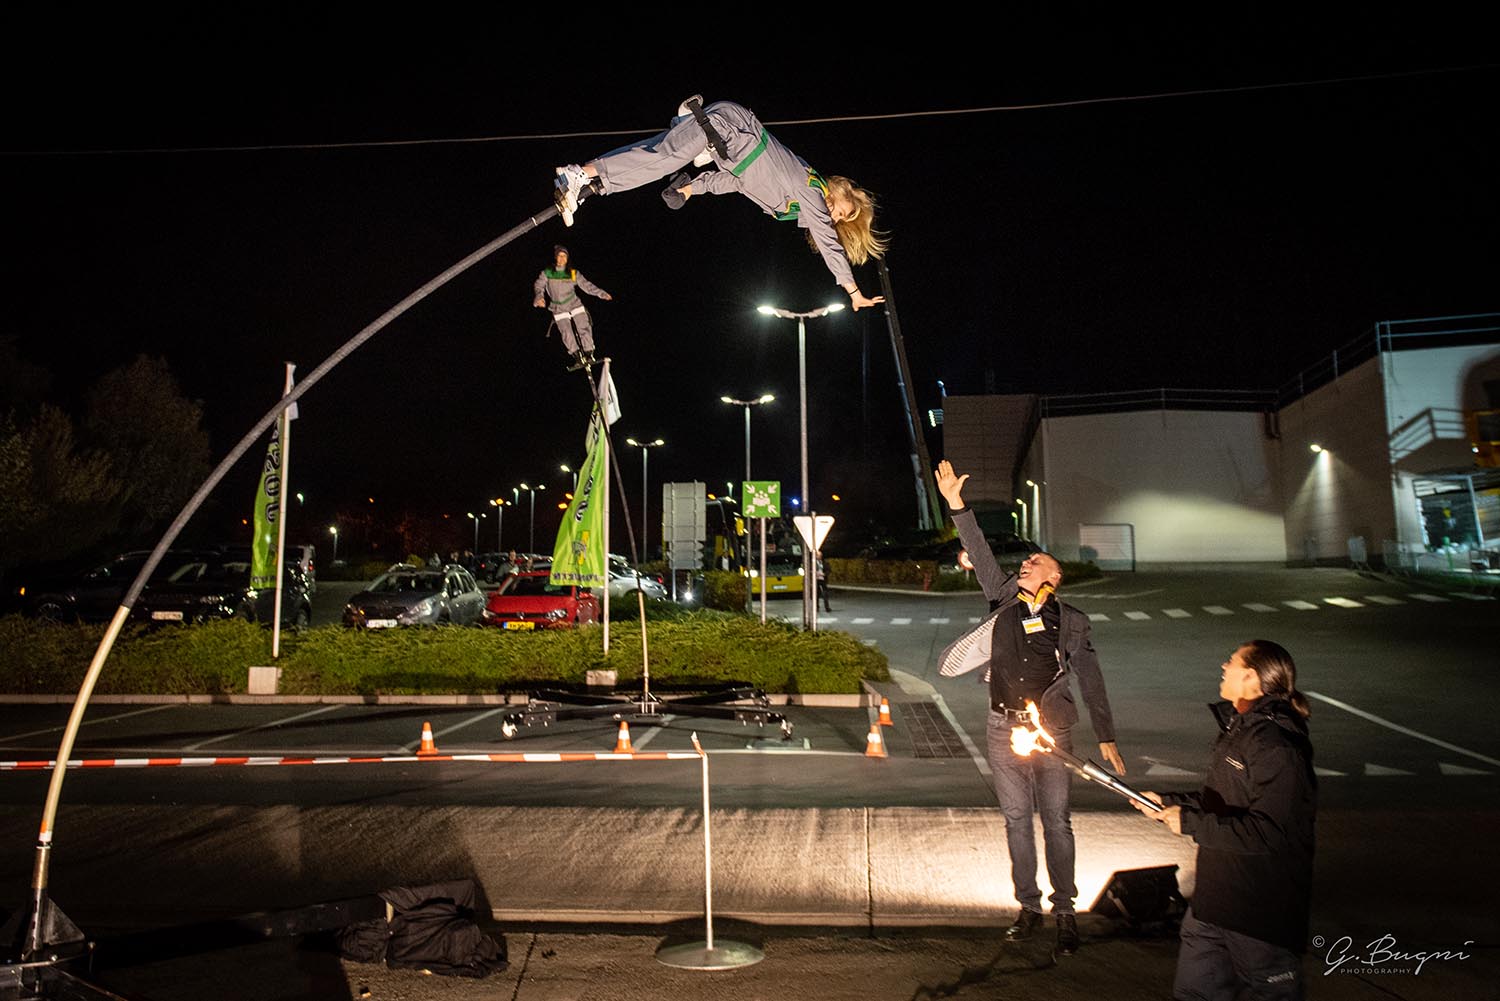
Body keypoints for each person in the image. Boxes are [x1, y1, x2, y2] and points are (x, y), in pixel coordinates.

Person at [933, 460, 1125, 956]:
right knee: (1016, 820)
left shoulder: (1073, 621)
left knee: (1056, 821)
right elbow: (980, 550)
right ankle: (1028, 907)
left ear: (1055, 577)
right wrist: (956, 503)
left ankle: (1065, 912)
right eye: (1025, 561)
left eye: (1036, 562)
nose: (1026, 564)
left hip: (1051, 732)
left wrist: (1106, 735)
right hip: (1002, 727)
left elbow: (1091, 678)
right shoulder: (1003, 600)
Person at [552, 97, 887, 311]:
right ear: (839, 192)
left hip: (726, 146)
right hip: (728, 128)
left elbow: (737, 182)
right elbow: (828, 242)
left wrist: (692, 189)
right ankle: (579, 172)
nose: (833, 217)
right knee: (665, 158)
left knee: (657, 154)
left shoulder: (789, 205)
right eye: (840, 210)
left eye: (840, 219)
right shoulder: (810, 188)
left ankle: (588, 184)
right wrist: (852, 291)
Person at [1132, 640, 1316, 1000]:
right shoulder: (1240, 727)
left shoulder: (1277, 745)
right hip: (1212, 905)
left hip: (1259, 915)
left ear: (1252, 678)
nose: (1223, 667)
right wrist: (1167, 802)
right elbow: (1222, 800)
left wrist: (1190, 823)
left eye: (1232, 662)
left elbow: (1267, 832)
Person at [533, 245, 612, 370]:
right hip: (558, 307)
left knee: (583, 326)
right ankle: (577, 356)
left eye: (564, 256)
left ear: (567, 259)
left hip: (574, 303)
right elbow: (539, 285)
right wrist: (539, 298)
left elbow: (586, 285)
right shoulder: (548, 272)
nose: (562, 258)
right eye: (560, 256)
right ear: (556, 258)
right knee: (566, 333)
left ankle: (589, 353)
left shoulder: (572, 273)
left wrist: (601, 293)